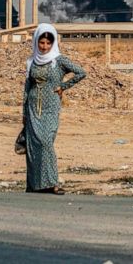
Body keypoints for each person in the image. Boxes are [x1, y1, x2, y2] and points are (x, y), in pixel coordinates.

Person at [22, 23, 86, 194]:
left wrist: (63, 86)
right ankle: (35, 185)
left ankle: (52, 183)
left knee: (46, 142)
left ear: (53, 43)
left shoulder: (59, 60)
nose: (44, 47)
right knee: (33, 145)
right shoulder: (31, 62)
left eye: (48, 43)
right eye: (41, 43)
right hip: (33, 108)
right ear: (36, 42)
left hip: (51, 107)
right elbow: (27, 88)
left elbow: (81, 73)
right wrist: (24, 114)